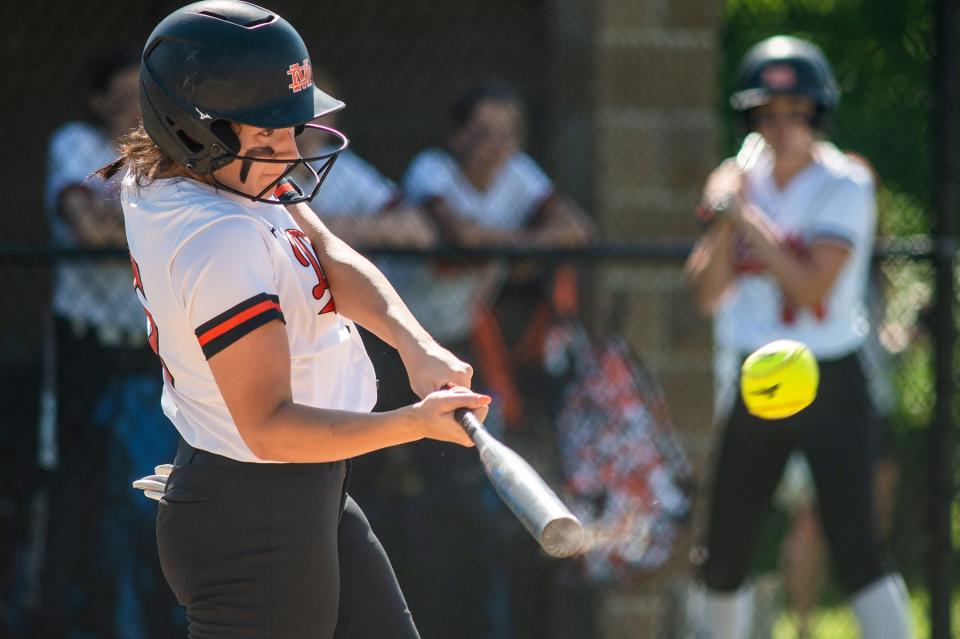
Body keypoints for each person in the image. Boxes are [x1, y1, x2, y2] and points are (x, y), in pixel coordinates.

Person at [105, 2, 490, 637]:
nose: (288, 155)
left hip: (303, 494)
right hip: (254, 520)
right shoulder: (217, 238)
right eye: (268, 136)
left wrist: (415, 345)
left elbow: (328, 255)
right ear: (194, 130)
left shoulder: (217, 175)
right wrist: (414, 425)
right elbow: (269, 427)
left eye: (290, 130)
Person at [684, 35, 911, 639]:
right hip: (757, 378)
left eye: (796, 112)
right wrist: (719, 212)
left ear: (818, 115)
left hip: (832, 379)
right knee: (724, 549)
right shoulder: (741, 180)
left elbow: (812, 287)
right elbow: (706, 295)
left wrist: (742, 217)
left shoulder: (846, 183)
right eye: (768, 115)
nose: (782, 127)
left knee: (858, 549)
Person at [395, 80, 593, 639]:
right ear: (458, 136)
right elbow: (464, 237)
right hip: (396, 348)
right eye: (482, 135)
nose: (496, 149)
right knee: (413, 494)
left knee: (478, 496)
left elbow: (575, 231)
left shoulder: (518, 174)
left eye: (507, 135)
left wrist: (504, 246)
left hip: (459, 343)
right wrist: (519, 248)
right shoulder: (432, 169)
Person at [40, 46, 181, 637]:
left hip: (153, 354)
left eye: (142, 99)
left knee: (157, 492)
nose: (133, 111)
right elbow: (87, 226)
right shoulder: (75, 143)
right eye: (121, 98)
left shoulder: (168, 152)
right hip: (87, 351)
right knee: (85, 490)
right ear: (98, 101)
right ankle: (76, 619)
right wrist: (166, 222)